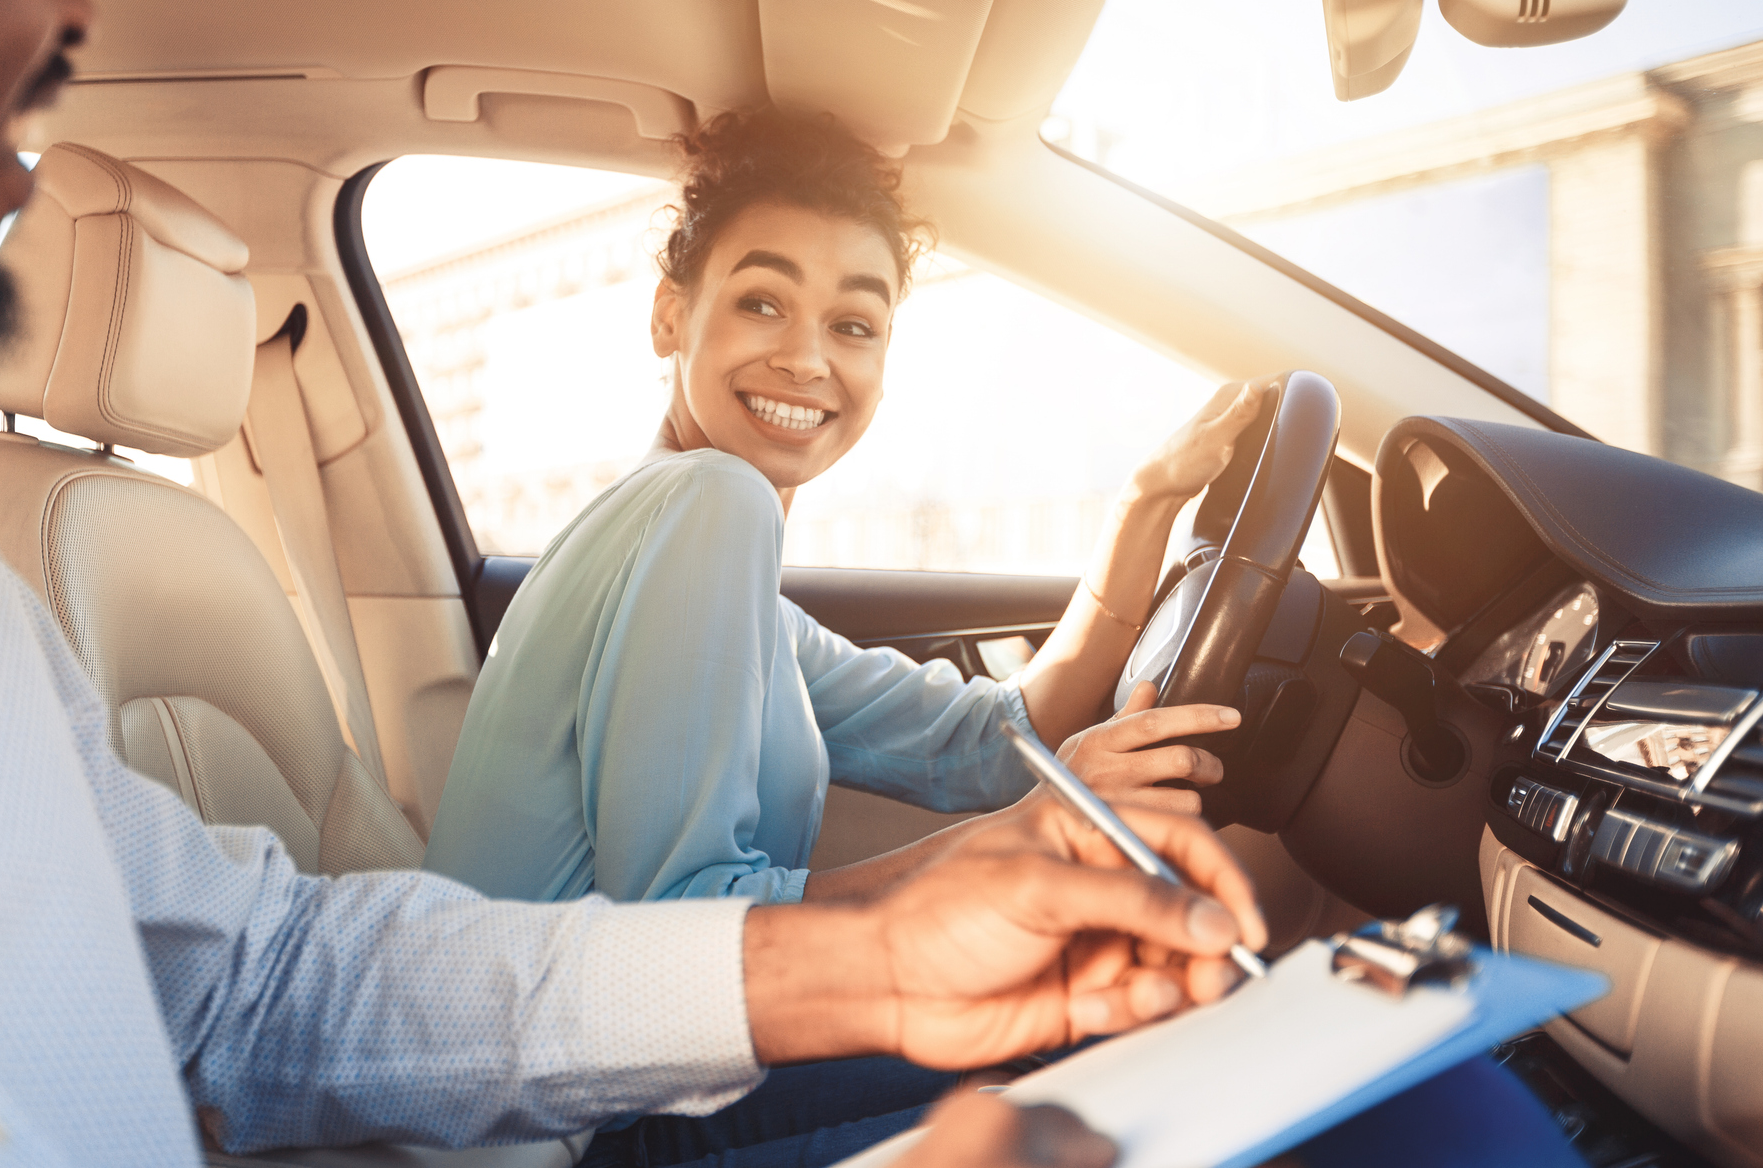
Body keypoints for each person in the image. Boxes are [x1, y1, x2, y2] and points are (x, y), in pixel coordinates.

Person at [0, 0, 1270, 1166]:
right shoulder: (690, 510)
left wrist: (888, 953)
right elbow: (684, 894)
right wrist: (916, 906)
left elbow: (253, 983)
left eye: (862, 320)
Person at [423, 109, 1263, 907]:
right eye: (761, 303)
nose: (805, 358)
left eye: (853, 324)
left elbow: (991, 741)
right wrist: (1026, 837)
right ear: (669, 315)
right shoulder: (712, 500)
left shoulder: (719, 574)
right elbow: (682, 918)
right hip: (566, 1051)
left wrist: (1144, 500)